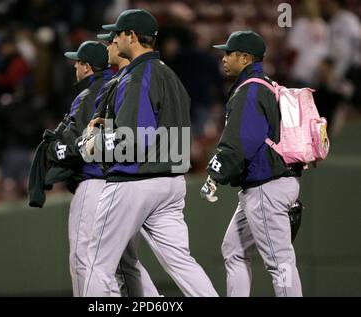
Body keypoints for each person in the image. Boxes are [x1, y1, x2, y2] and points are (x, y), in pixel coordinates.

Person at [81, 9, 218, 297]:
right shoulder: (170, 75)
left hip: (134, 181)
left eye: (117, 34)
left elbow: (132, 139)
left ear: (131, 36)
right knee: (182, 262)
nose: (114, 41)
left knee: (96, 261)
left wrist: (95, 143)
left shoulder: (136, 77)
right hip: (171, 183)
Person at [29, 40, 158, 296]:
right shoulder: (121, 84)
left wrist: (57, 149)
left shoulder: (90, 94)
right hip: (123, 183)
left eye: (77, 63)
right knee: (124, 262)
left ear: (86, 67)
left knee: (84, 257)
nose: (75, 67)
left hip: (94, 181)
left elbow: (79, 145)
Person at [201, 31, 302, 297]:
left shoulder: (251, 90)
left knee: (280, 261)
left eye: (229, 53)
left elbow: (241, 141)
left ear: (244, 58)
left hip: (266, 186)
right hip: (266, 183)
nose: (223, 58)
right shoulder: (265, 84)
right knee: (233, 250)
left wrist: (215, 172)